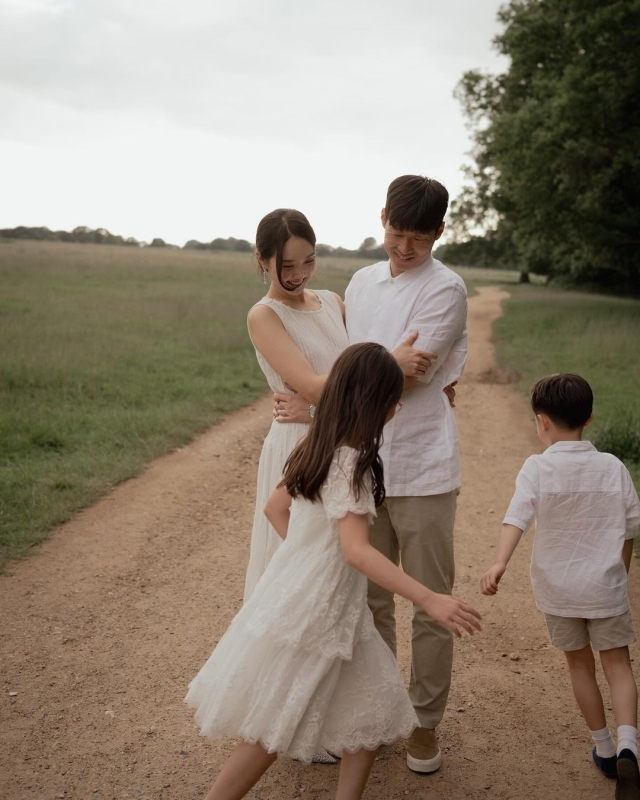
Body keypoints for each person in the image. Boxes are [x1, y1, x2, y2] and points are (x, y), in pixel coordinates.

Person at [185, 343, 482, 800]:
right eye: (392, 397)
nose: (398, 405)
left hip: (316, 595)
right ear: (372, 403)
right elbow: (357, 553)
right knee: (272, 727)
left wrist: (307, 559)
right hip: (319, 607)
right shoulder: (353, 464)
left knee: (371, 708)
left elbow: (275, 508)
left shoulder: (318, 442)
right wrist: (429, 598)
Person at [275, 175, 468, 774]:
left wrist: (375, 372)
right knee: (368, 600)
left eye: (416, 238)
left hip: (424, 465)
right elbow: (372, 370)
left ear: (438, 233)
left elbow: (401, 377)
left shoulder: (446, 289)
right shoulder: (359, 282)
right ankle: (383, 717)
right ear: (382, 216)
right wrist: (387, 363)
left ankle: (425, 726)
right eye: (394, 232)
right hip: (361, 462)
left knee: (431, 604)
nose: (402, 247)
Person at [480, 373, 640, 800]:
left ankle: (604, 749)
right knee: (618, 666)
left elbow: (516, 517)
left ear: (541, 421)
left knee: (579, 666)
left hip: (560, 590)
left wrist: (499, 563)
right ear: (589, 417)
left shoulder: (537, 466)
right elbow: (629, 529)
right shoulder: (613, 466)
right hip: (605, 589)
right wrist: (619, 573)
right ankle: (629, 745)